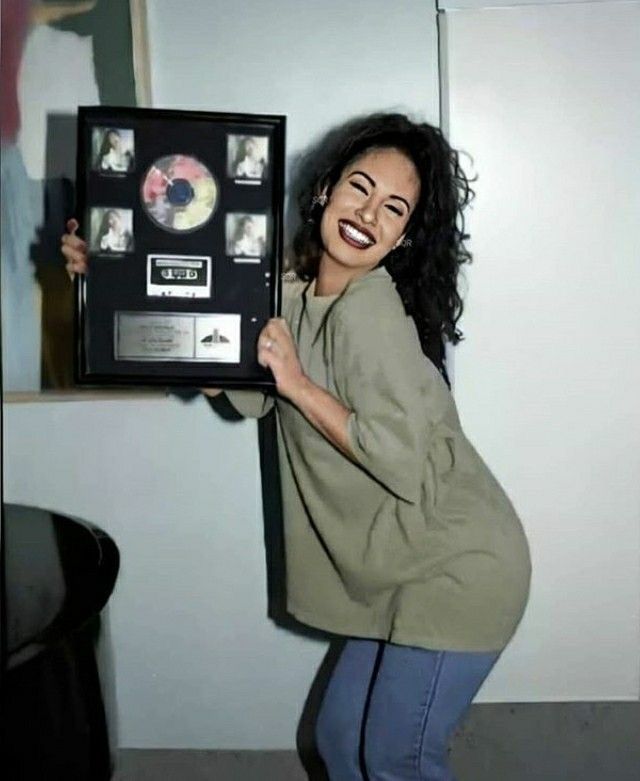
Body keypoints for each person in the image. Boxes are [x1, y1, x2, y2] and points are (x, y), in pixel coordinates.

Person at [62, 112, 531, 781]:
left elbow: (396, 457)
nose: (368, 213)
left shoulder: (369, 310)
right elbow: (243, 386)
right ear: (324, 190)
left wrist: (299, 382)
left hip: (458, 566)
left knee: (396, 757)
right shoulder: (293, 290)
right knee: (341, 740)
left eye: (393, 207)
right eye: (359, 187)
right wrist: (104, 278)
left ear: (402, 237)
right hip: (404, 561)